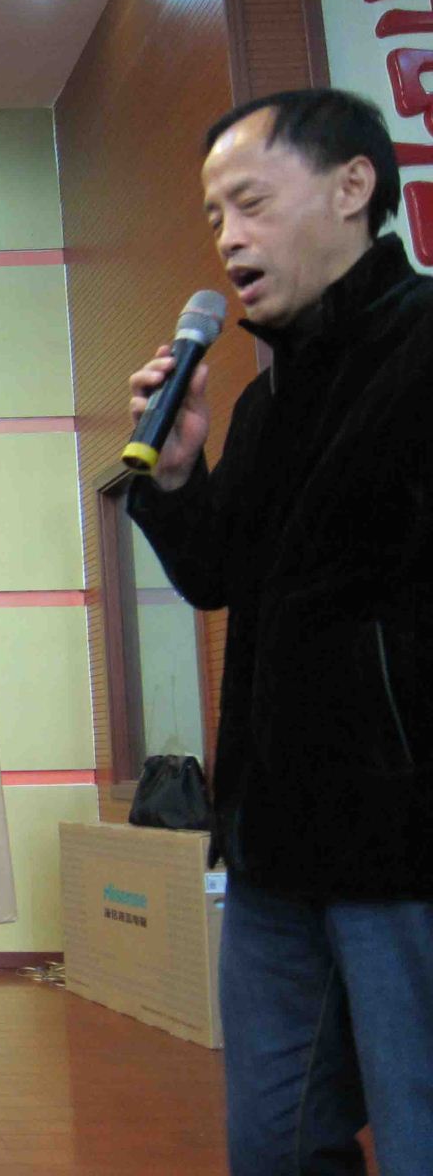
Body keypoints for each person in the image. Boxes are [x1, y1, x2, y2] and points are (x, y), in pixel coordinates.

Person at [125, 88, 433, 1175]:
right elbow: (218, 578)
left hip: (404, 846)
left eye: (250, 203)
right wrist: (174, 476)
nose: (227, 238)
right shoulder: (265, 402)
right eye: (215, 216)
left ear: (353, 187)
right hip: (270, 848)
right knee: (273, 1142)